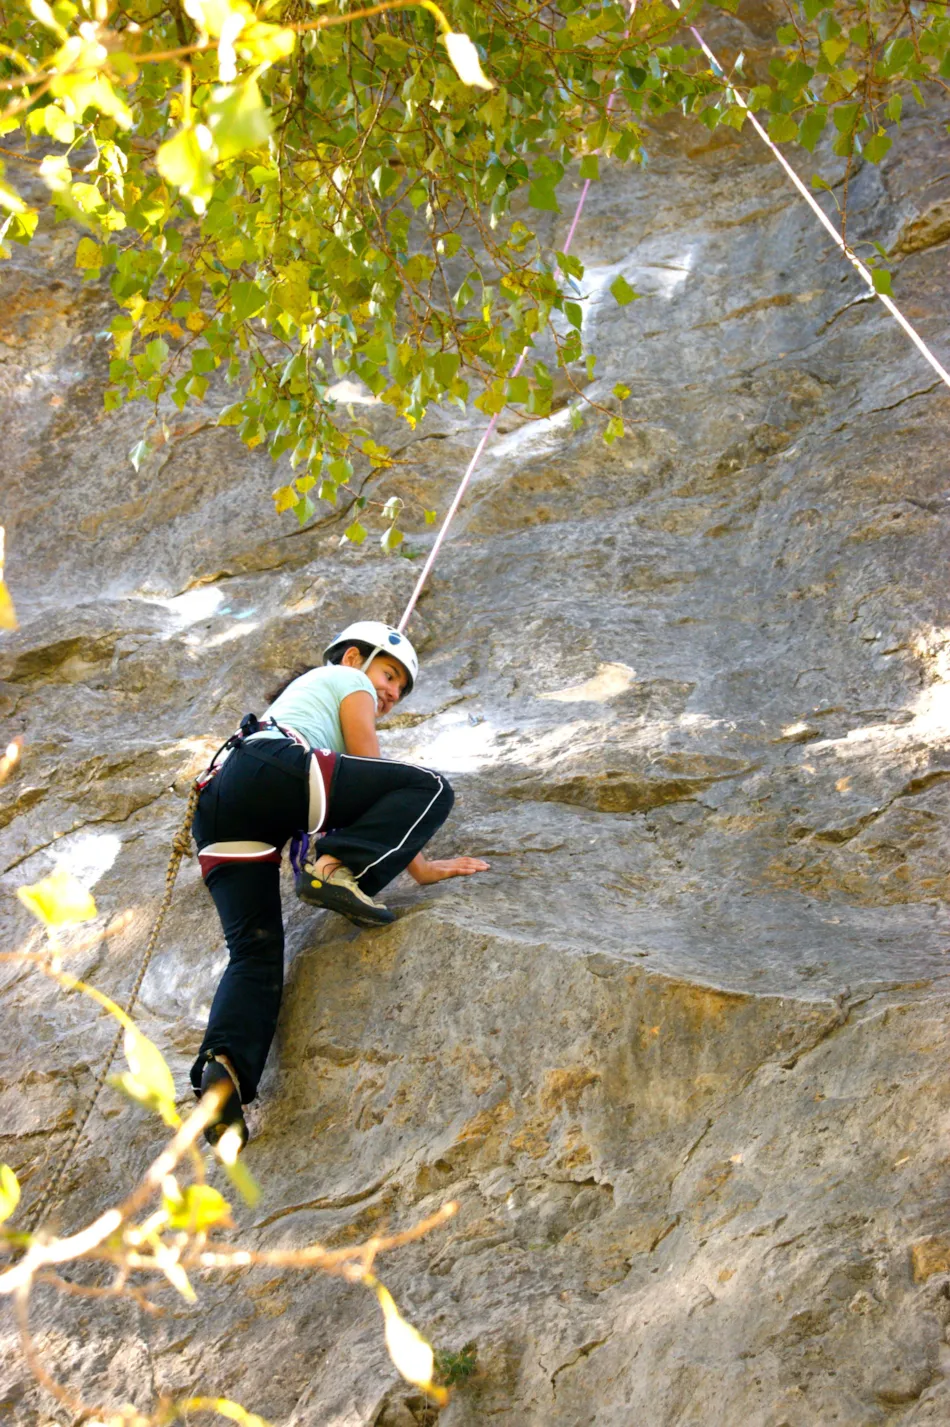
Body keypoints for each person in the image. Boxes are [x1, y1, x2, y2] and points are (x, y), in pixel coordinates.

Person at [189, 620, 488, 1154]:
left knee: (255, 953)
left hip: (220, 806)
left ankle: (224, 1071)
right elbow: (369, 767)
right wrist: (419, 868)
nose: (391, 693)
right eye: (389, 675)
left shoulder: (300, 703)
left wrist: (406, 858)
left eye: (400, 689)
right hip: (273, 769)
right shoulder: (346, 680)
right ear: (353, 658)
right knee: (430, 787)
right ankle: (331, 870)